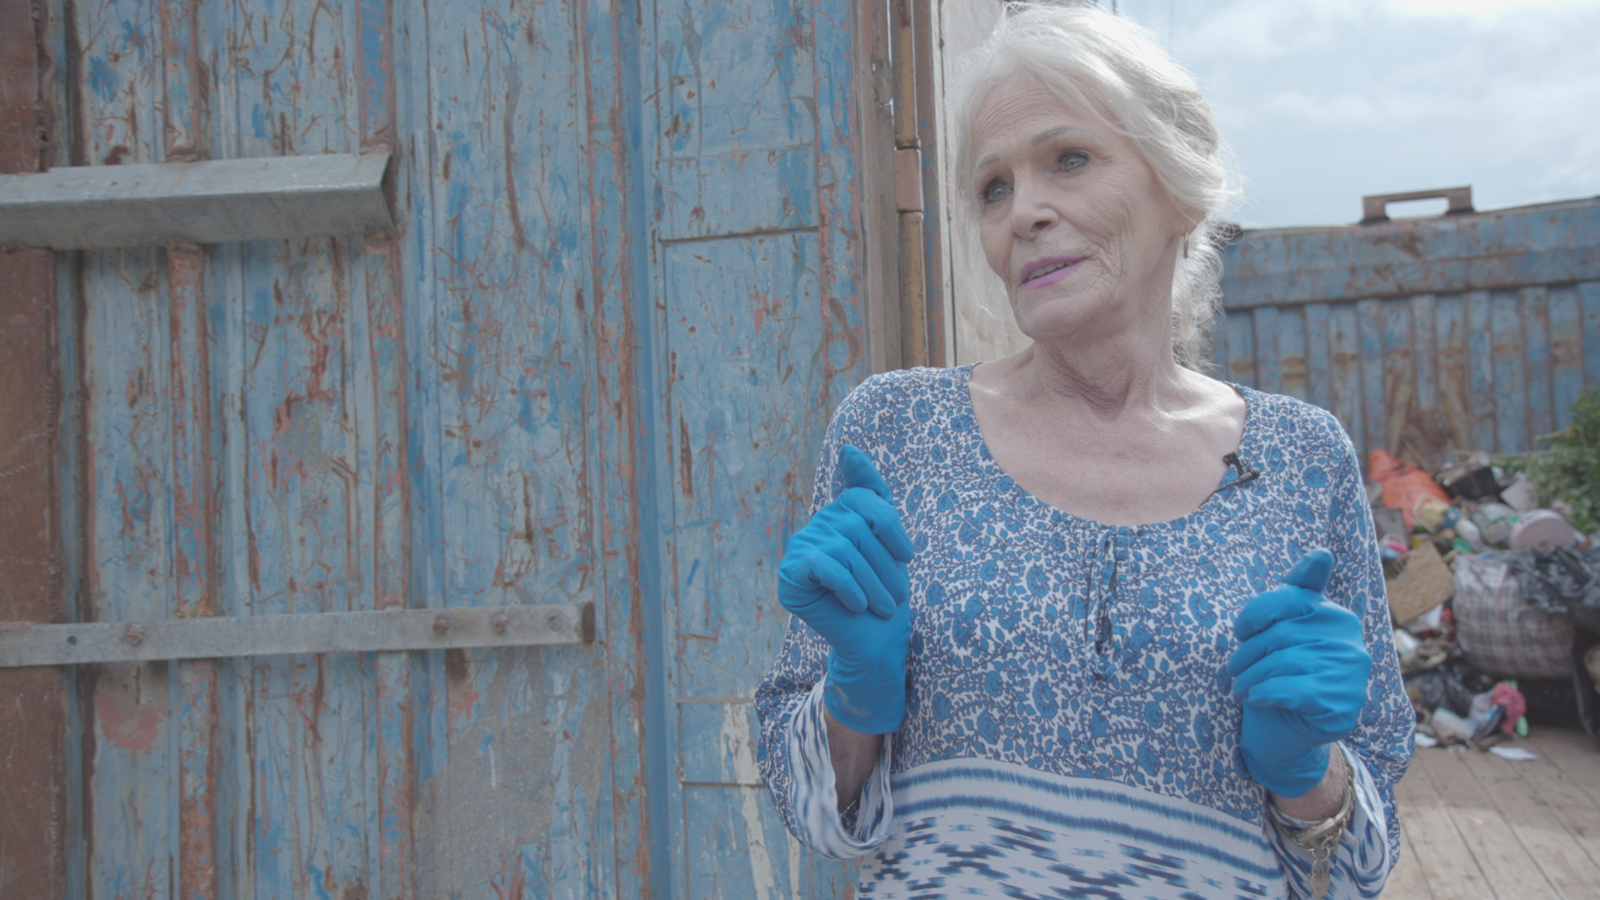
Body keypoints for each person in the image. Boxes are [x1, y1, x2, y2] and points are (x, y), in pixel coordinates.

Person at [755, 5, 1412, 899]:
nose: (1025, 211)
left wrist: (1308, 772)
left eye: (1069, 159)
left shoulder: (1301, 460)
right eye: (993, 187)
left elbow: (1359, 861)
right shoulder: (897, 432)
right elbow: (807, 807)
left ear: (1179, 187)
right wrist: (852, 702)